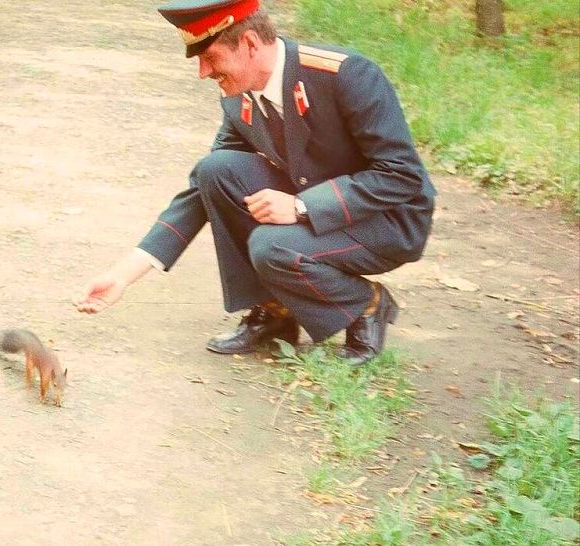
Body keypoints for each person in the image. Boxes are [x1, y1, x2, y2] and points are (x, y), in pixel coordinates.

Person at [75, 0, 436, 366]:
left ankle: (366, 305)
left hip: (387, 220)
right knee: (217, 170)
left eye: (210, 57)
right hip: (326, 208)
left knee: (271, 246)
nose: (202, 72)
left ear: (249, 43)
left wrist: (300, 206)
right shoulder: (239, 97)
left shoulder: (345, 74)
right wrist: (122, 276)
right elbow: (203, 189)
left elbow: (401, 174)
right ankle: (276, 312)